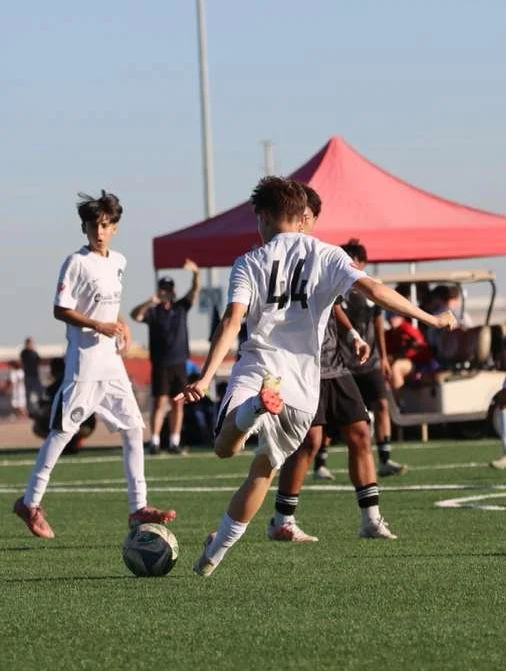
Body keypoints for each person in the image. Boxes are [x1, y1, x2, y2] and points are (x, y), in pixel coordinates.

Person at [177, 176, 456, 578]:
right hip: (302, 389)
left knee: (224, 449)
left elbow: (232, 319)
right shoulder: (327, 254)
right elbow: (374, 289)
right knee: (263, 470)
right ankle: (211, 558)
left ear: (265, 217)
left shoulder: (249, 262)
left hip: (259, 370)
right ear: (302, 216)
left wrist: (204, 379)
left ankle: (251, 410)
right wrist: (431, 317)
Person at [13, 190, 176, 540]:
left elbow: (109, 303)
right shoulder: (76, 263)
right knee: (61, 433)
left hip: (112, 364)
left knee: (134, 428)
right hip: (84, 364)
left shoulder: (117, 261)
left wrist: (121, 323)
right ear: (84, 228)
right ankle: (30, 502)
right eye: (92, 225)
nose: (98, 231)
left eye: (104, 225)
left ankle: (138, 508)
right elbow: (61, 308)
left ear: (114, 227)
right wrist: (99, 325)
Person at [267, 189, 397, 544]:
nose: (304, 220)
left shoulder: (323, 253)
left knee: (359, 431)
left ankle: (370, 519)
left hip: (334, 365)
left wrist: (353, 332)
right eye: (300, 214)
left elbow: (336, 303)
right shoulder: (278, 255)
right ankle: (282, 519)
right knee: (308, 441)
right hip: (301, 367)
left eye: (309, 215)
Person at [340, 239, 406, 477]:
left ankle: (385, 459)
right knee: (335, 415)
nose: (347, 264)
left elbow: (379, 324)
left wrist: (385, 358)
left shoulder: (372, 287)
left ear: (362, 262)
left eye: (352, 260)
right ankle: (320, 463)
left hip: (371, 361)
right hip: (342, 363)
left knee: (382, 404)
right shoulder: (337, 287)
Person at [130, 260, 200, 455]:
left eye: (169, 289)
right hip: (160, 363)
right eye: (163, 289)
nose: (166, 292)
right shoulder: (153, 312)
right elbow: (135, 315)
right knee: (159, 402)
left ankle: (174, 441)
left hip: (179, 363)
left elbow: (194, 291)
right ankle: (154, 441)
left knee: (178, 402)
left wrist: (196, 273)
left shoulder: (180, 308)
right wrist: (149, 301)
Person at [385, 313, 434, 390]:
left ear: (401, 317)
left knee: (396, 366)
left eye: (394, 317)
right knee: (383, 366)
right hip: (402, 360)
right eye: (389, 317)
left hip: (417, 363)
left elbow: (422, 347)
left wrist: (409, 347)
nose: (391, 320)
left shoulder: (408, 328)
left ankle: (399, 397)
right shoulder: (389, 334)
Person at [20, 337, 42, 415]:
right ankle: (30, 411)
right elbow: (23, 362)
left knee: (40, 393)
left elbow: (39, 361)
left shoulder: (34, 352)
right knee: (28, 395)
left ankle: (41, 408)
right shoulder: (24, 352)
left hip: (35, 376)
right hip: (28, 376)